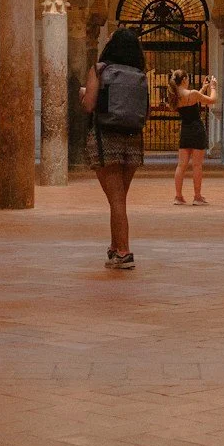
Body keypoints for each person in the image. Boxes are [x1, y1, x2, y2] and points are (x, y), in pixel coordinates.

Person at [83, 29, 149, 269]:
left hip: (106, 138)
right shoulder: (139, 74)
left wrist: (84, 93)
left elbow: (90, 105)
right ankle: (114, 247)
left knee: (117, 200)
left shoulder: (100, 70)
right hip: (133, 140)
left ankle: (124, 251)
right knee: (118, 198)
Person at [170, 70, 218, 205]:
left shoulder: (175, 95)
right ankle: (197, 197)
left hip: (185, 129)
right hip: (197, 129)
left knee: (181, 165)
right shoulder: (192, 93)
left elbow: (192, 100)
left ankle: (178, 197)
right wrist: (213, 87)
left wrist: (203, 88)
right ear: (184, 79)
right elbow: (212, 100)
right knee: (197, 165)